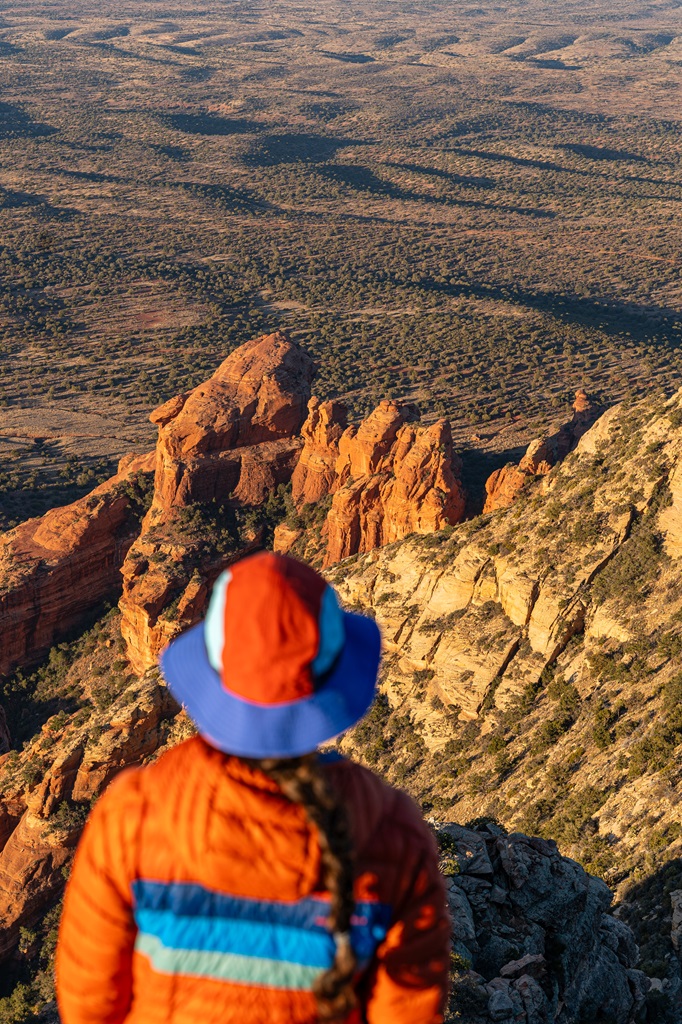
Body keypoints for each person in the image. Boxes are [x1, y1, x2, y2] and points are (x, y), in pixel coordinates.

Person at [56, 551, 451, 1024]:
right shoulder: (395, 837)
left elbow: (89, 1001)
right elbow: (407, 1013)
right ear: (331, 685)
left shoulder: (133, 815)